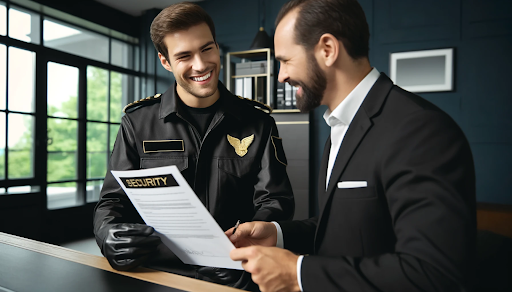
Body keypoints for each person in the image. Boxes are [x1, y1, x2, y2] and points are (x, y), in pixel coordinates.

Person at [228, 0, 476, 291]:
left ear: (328, 50)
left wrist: (298, 274)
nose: (281, 75)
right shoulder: (339, 125)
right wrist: (278, 234)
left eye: (285, 60)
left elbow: (433, 273)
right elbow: (346, 227)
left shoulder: (422, 130)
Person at [93, 2, 294, 291]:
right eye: (184, 56)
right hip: (154, 275)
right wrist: (106, 233)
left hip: (236, 276)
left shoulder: (258, 122)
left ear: (217, 47)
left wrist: (249, 253)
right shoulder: (136, 123)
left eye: (207, 49)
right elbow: (112, 201)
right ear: (165, 61)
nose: (200, 65)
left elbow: (276, 202)